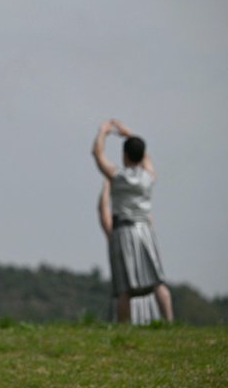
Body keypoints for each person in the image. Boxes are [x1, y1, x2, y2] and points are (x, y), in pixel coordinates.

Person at [92, 118, 173, 323]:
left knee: (124, 288)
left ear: (124, 155)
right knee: (158, 281)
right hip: (145, 228)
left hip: (123, 231)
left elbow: (98, 154)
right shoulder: (149, 177)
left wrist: (103, 131)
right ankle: (170, 321)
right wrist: (130, 135)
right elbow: (145, 157)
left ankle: (124, 327)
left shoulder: (117, 178)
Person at [98, 180, 161, 324]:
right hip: (142, 297)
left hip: (130, 297)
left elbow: (103, 214)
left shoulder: (118, 234)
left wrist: (107, 187)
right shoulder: (145, 230)